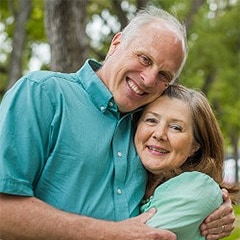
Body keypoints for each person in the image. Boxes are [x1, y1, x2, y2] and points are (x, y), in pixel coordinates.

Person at [0, 5, 235, 240]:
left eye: (164, 75)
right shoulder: (43, 94)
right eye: (144, 59)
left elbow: (176, 186)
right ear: (116, 43)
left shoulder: (146, 125)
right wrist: (111, 234)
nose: (148, 79)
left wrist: (214, 207)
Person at [134, 84, 239, 240]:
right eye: (151, 120)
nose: (159, 134)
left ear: (195, 146)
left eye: (176, 127)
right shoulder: (135, 183)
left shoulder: (198, 187)